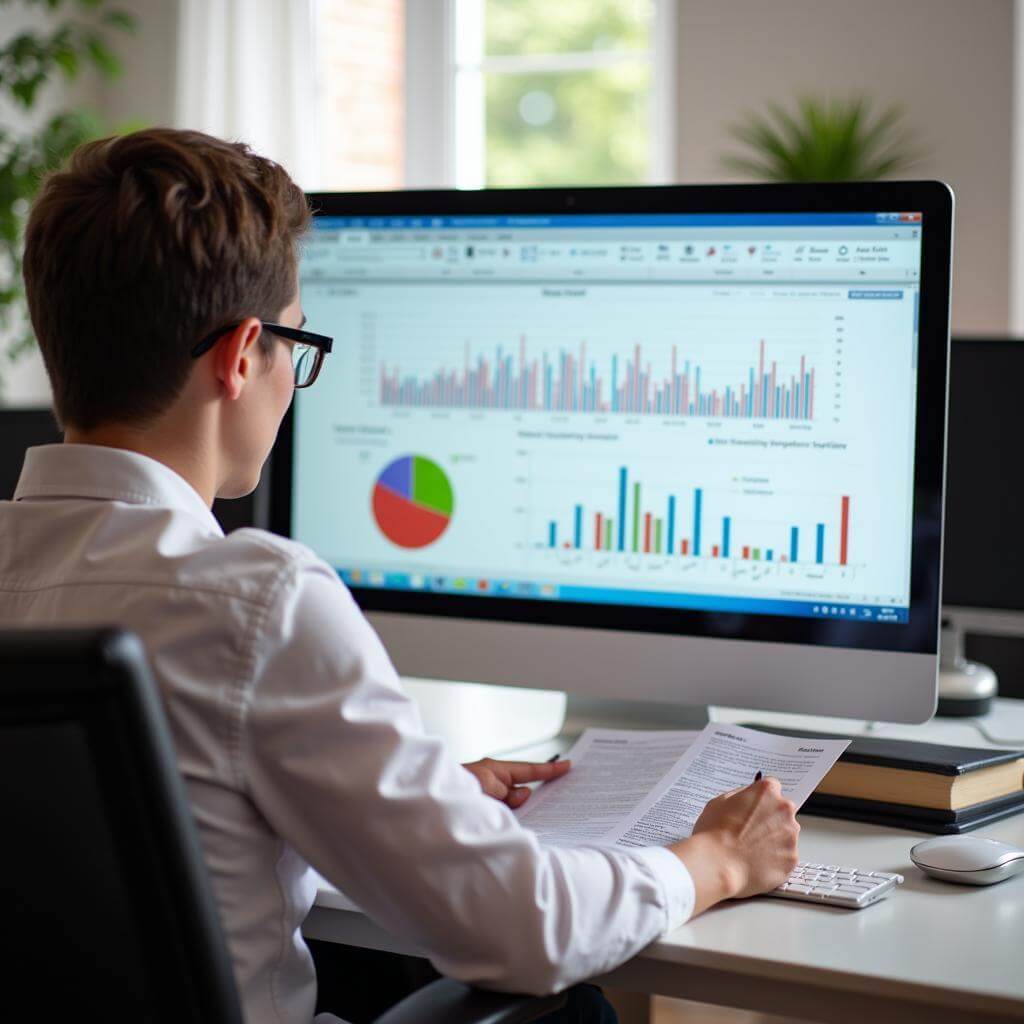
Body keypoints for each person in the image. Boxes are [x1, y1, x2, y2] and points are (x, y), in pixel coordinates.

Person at [1, 128, 799, 1024]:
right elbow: (523, 931)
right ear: (241, 355)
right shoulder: (256, 601)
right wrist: (714, 861)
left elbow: (165, 814)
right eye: (297, 350)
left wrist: (417, 793)